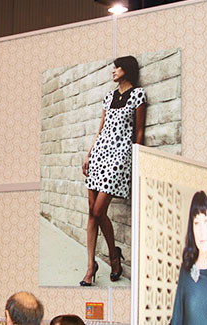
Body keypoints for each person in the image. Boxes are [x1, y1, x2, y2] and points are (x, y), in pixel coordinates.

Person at [80, 56, 146, 285]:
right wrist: (89, 154)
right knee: (91, 210)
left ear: (127, 70)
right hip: (99, 154)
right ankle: (90, 267)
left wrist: (137, 160)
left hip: (119, 156)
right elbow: (101, 129)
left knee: (99, 212)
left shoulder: (138, 95)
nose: (113, 71)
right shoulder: (109, 97)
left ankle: (113, 255)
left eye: (117, 68)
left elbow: (138, 133)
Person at [170, 191, 207, 325]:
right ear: (192, 229)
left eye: (205, 221)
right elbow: (176, 320)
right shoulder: (185, 274)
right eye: (196, 223)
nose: (202, 230)